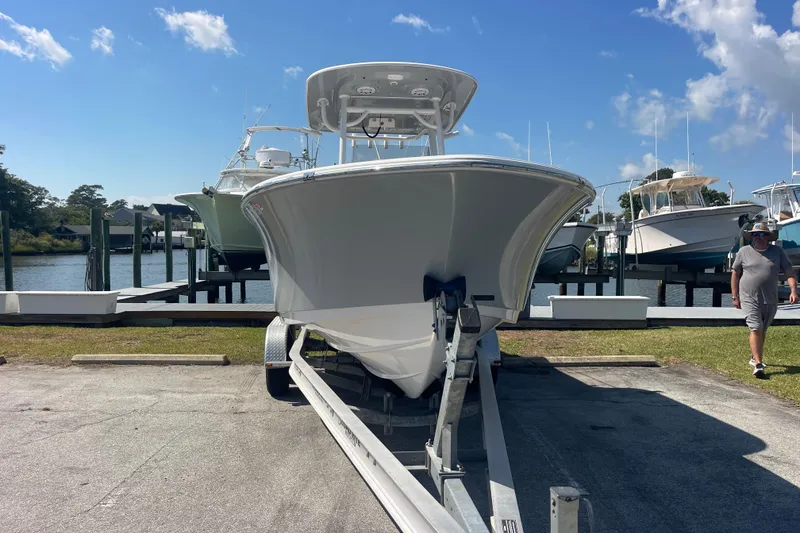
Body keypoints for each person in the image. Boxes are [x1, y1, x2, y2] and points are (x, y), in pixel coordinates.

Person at [731, 222, 798, 377]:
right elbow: (735, 273)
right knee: (755, 327)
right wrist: (735, 296)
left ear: (767, 237)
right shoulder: (744, 251)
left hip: (770, 298)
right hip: (748, 297)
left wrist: (793, 291)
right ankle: (759, 365)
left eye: (762, 234)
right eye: (755, 235)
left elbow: (788, 271)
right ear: (751, 237)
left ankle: (754, 356)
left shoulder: (777, 252)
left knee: (762, 330)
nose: (758, 238)